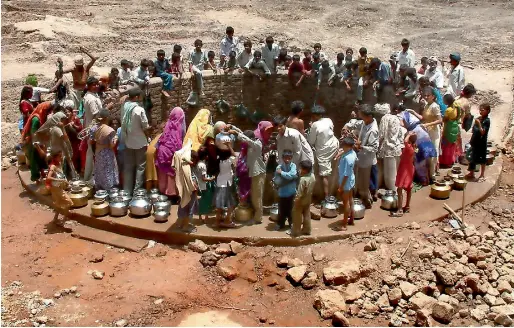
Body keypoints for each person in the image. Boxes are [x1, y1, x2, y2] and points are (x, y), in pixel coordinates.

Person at [407, 87, 442, 182]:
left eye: (428, 96)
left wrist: (427, 124)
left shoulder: (435, 106)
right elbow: (423, 117)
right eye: (425, 96)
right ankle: (428, 173)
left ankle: (433, 175)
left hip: (434, 131)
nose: (426, 97)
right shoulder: (427, 105)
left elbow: (440, 120)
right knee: (427, 152)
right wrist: (413, 112)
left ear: (433, 96)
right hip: (426, 132)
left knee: (434, 153)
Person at [121, 87, 151, 193]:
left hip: (128, 141)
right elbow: (145, 127)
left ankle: (127, 192)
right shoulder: (139, 110)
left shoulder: (125, 107)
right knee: (140, 167)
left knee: (128, 167)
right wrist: (148, 136)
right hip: (140, 143)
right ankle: (137, 192)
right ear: (137, 97)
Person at [307, 105, 339, 201]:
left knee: (324, 175)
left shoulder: (314, 125)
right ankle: (331, 193)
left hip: (324, 151)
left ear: (316, 116)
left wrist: (311, 128)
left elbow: (311, 141)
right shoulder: (328, 120)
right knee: (333, 171)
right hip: (334, 146)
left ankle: (326, 197)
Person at [21, 101, 56, 182]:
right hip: (33, 144)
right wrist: (39, 147)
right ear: (44, 110)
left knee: (41, 160)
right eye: (48, 111)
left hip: (37, 142)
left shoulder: (41, 117)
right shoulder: (36, 119)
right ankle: (36, 179)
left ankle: (42, 173)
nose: (49, 113)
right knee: (35, 160)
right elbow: (34, 134)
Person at [156, 107, 186, 199]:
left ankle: (162, 192)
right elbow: (180, 139)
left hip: (162, 150)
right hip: (172, 151)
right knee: (171, 171)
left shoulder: (167, 123)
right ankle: (171, 194)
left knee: (163, 171)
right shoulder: (180, 126)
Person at [355, 105, 379, 209]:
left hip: (367, 160)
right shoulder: (366, 123)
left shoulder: (373, 130)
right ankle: (367, 197)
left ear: (368, 116)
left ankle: (367, 201)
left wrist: (361, 147)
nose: (360, 118)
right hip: (362, 158)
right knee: (364, 181)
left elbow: (373, 148)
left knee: (365, 183)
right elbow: (356, 123)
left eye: (361, 116)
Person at [89, 109, 118, 190]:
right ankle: (109, 190)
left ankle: (99, 188)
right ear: (107, 118)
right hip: (107, 153)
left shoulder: (93, 128)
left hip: (98, 152)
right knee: (108, 170)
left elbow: (90, 141)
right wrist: (116, 138)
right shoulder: (109, 130)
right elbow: (112, 145)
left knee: (99, 169)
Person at [173, 141, 198, 232]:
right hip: (190, 193)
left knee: (182, 207)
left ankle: (180, 224)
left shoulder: (182, 166)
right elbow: (192, 183)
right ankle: (185, 226)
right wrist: (196, 188)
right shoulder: (188, 169)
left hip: (183, 192)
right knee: (188, 209)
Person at [377, 105, 403, 191]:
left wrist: (378, 146)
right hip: (397, 147)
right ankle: (399, 189)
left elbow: (381, 135)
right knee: (397, 171)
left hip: (388, 149)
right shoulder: (396, 118)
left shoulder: (384, 118)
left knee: (390, 174)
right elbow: (400, 133)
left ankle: (393, 191)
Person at [82, 77, 102, 182]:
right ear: (89, 86)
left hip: (90, 127)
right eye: (94, 84)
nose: (97, 86)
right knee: (94, 153)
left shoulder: (91, 96)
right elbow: (96, 116)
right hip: (94, 129)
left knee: (91, 153)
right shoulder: (91, 99)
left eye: (97, 84)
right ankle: (92, 178)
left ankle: (89, 176)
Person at [393, 132, 417, 217]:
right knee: (409, 188)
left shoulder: (409, 147)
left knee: (399, 189)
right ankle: (407, 206)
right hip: (410, 169)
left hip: (404, 170)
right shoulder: (414, 147)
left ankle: (400, 209)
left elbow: (405, 141)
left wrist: (409, 134)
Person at [273, 150, 297, 232]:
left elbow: (292, 175)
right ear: (283, 158)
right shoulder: (278, 167)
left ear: (291, 158)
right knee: (281, 210)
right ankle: (280, 224)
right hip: (282, 193)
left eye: (289, 158)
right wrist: (285, 175)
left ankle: (291, 223)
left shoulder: (293, 166)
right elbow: (277, 180)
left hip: (291, 192)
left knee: (291, 209)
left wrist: (282, 173)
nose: (287, 160)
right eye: (285, 158)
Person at [46, 151, 73, 224]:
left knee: (58, 203)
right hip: (56, 188)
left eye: (61, 156)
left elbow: (62, 175)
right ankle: (63, 221)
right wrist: (60, 180)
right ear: (55, 157)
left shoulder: (59, 164)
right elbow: (48, 177)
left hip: (56, 187)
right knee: (69, 203)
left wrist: (66, 182)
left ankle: (55, 219)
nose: (61, 157)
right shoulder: (53, 166)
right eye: (59, 156)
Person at [214, 142, 237, 229]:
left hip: (220, 183)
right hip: (227, 183)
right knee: (231, 204)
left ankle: (217, 221)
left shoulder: (218, 160)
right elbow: (235, 155)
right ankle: (227, 220)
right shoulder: (229, 160)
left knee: (219, 204)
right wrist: (229, 146)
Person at [466, 103, 491, 182]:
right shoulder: (478, 118)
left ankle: (482, 175)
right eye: (480, 110)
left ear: (487, 111)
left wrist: (479, 124)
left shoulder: (487, 121)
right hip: (475, 141)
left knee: (482, 159)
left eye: (482, 110)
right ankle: (471, 173)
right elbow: (473, 130)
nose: (480, 111)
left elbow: (483, 132)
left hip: (482, 142)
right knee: (473, 157)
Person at [290, 160, 315, 237]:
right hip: (308, 199)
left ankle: (296, 232)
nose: (300, 170)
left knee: (297, 215)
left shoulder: (303, 180)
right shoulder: (312, 176)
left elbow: (299, 194)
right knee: (307, 214)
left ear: (304, 170)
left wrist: (296, 201)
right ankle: (307, 230)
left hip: (301, 200)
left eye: (301, 168)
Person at [337, 137, 357, 230]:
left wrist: (341, 187)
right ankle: (351, 219)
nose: (343, 148)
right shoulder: (352, 153)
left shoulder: (348, 159)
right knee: (351, 199)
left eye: (345, 146)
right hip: (351, 181)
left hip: (346, 182)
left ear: (350, 147)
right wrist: (340, 154)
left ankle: (344, 225)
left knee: (346, 203)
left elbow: (346, 175)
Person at [439, 94, 461, 167]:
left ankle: (446, 162)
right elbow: (460, 113)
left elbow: (444, 119)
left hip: (449, 128)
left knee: (446, 145)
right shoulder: (456, 105)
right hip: (454, 125)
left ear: (447, 101)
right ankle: (452, 160)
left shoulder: (448, 110)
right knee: (452, 145)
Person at [195, 148, 215, 223]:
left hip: (198, 185)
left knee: (200, 201)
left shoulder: (197, 163)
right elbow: (204, 178)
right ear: (205, 156)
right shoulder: (203, 165)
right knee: (207, 201)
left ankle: (200, 217)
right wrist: (212, 179)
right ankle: (206, 217)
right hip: (204, 186)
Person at [235, 135, 252, 203]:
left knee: (246, 193)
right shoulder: (241, 155)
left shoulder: (249, 155)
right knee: (242, 193)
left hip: (247, 177)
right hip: (242, 178)